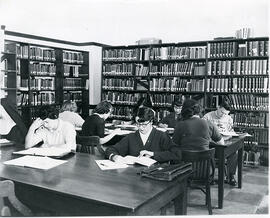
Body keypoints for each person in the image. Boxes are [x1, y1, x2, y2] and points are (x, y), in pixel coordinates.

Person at [105, 106, 181, 163]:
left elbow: (176, 154)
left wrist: (153, 154)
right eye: (138, 124)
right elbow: (111, 149)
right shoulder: (132, 137)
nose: (141, 128)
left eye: (144, 125)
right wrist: (114, 157)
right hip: (134, 177)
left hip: (156, 177)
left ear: (151, 122)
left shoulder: (161, 136)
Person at [203, 100, 238, 186]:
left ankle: (231, 176)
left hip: (224, 143)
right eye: (222, 112)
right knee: (208, 151)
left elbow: (231, 131)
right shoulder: (207, 116)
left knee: (234, 152)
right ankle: (210, 176)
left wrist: (229, 134)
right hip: (211, 144)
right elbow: (202, 131)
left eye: (226, 114)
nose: (223, 115)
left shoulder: (229, 118)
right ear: (218, 107)